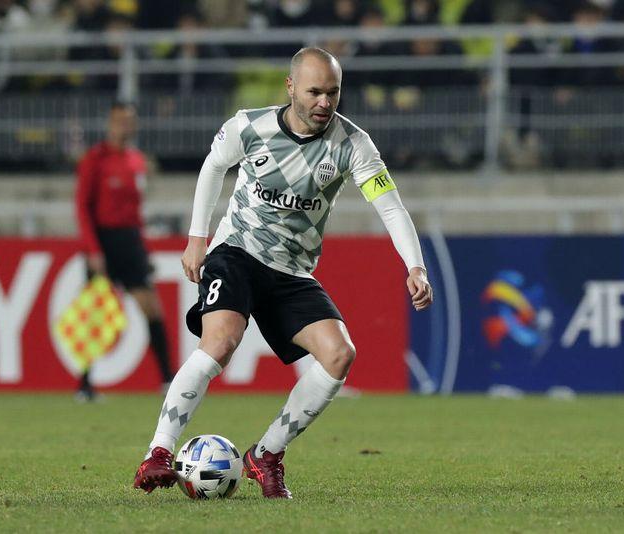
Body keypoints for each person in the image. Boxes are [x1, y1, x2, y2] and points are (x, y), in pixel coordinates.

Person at [132, 47, 433, 498]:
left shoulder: (353, 145)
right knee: (220, 343)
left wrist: (415, 265)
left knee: (339, 355)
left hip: (291, 271)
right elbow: (213, 166)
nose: (324, 103)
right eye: (314, 92)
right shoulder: (249, 126)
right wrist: (197, 237)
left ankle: (266, 454)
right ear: (290, 87)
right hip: (237, 251)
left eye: (333, 93)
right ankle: (158, 452)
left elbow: (390, 207)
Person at [74, 101, 174, 400]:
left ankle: (167, 380)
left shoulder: (137, 161)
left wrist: (142, 247)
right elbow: (82, 207)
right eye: (119, 120)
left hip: (129, 241)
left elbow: (135, 212)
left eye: (129, 121)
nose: (124, 126)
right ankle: (85, 384)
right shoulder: (95, 159)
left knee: (151, 308)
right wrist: (93, 250)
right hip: (103, 241)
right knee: (97, 314)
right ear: (110, 123)